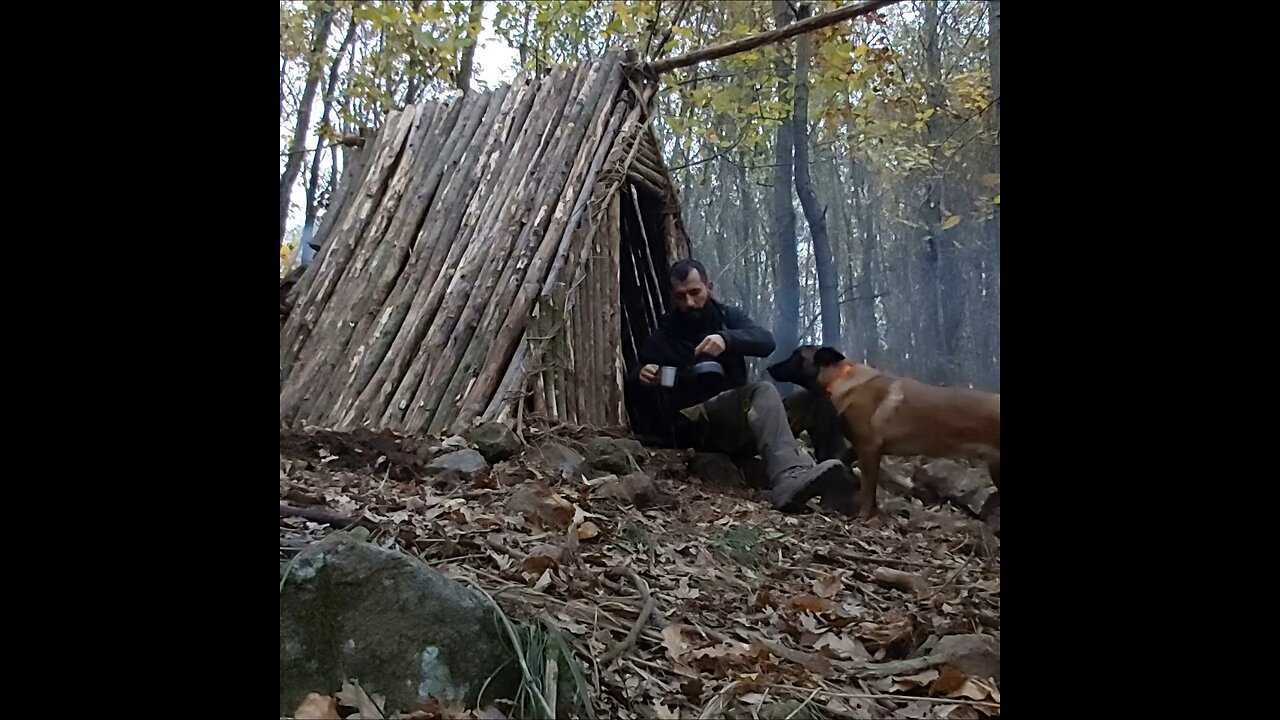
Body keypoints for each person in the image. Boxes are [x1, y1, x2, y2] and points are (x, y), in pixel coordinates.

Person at [627, 258, 855, 514]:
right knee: (763, 391)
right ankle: (788, 480)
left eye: (695, 293)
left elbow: (765, 341)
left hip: (744, 420)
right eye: (681, 296)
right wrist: (641, 374)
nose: (689, 302)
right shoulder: (665, 334)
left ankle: (837, 486)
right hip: (699, 424)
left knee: (817, 400)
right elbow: (637, 382)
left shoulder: (727, 318)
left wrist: (727, 339)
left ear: (708, 288)